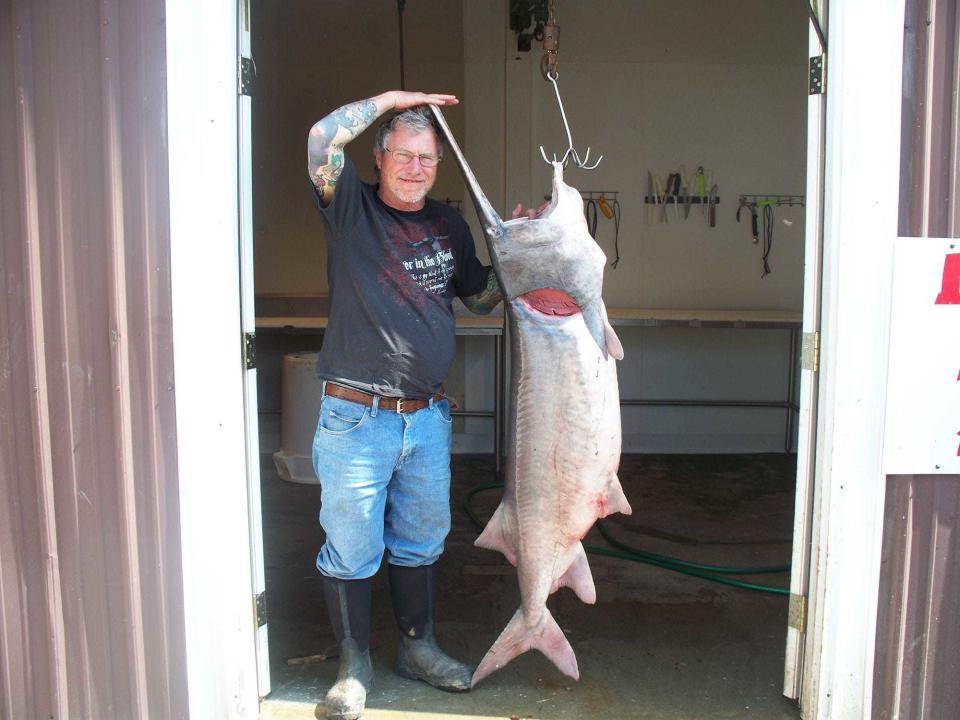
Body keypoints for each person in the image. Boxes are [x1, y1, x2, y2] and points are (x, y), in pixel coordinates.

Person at [305, 90, 503, 720]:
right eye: (405, 154)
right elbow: (320, 140)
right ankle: (352, 666)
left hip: (426, 418)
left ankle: (416, 649)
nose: (417, 167)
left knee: (421, 541)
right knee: (351, 545)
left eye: (428, 158)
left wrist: (527, 251)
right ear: (380, 156)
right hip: (355, 417)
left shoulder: (447, 223)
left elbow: (479, 298)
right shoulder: (351, 209)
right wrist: (393, 99)